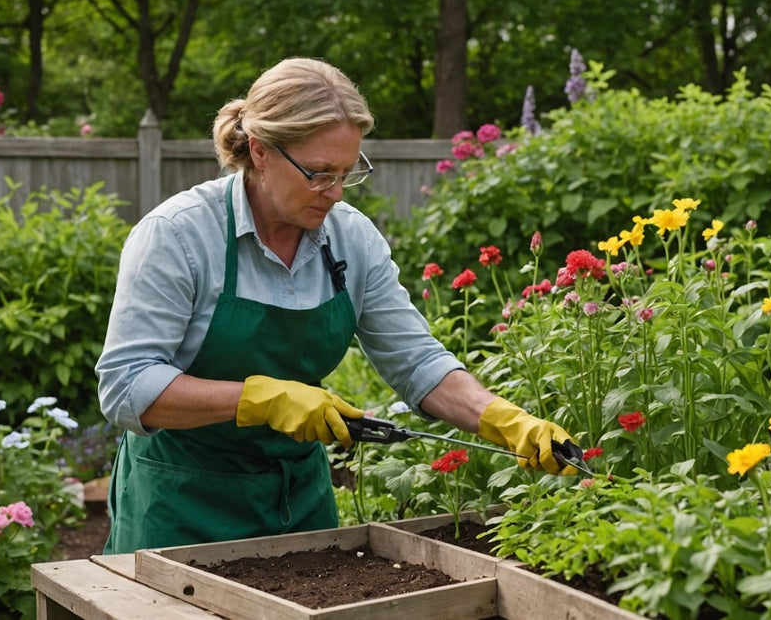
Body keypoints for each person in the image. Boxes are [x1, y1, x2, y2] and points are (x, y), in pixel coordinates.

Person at [94, 57, 577, 554]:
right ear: (260, 151)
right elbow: (126, 385)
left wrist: (503, 418)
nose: (336, 192)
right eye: (320, 174)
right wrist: (264, 399)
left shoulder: (351, 238)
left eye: (348, 172)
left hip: (301, 505)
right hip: (182, 504)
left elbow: (418, 362)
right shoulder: (178, 235)